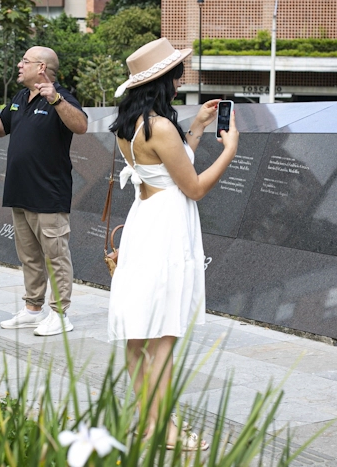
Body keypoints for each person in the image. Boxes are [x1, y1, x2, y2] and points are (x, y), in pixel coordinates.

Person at [107, 38, 239, 451]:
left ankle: (147, 422)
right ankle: (164, 430)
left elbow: (168, 170)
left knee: (139, 333)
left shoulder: (131, 126)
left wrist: (196, 129)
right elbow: (194, 187)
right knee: (162, 332)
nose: (182, 82)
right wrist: (230, 151)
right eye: (178, 75)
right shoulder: (159, 127)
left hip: (146, 220)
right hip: (165, 228)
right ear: (164, 81)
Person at [0, 46, 88, 336]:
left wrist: (54, 99)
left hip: (49, 193)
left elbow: (81, 125)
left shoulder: (61, 97)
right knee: (29, 256)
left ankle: (60, 314)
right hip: (20, 190)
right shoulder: (20, 98)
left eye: (25, 61)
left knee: (55, 254)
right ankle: (33, 309)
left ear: (41, 67)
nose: (19, 65)